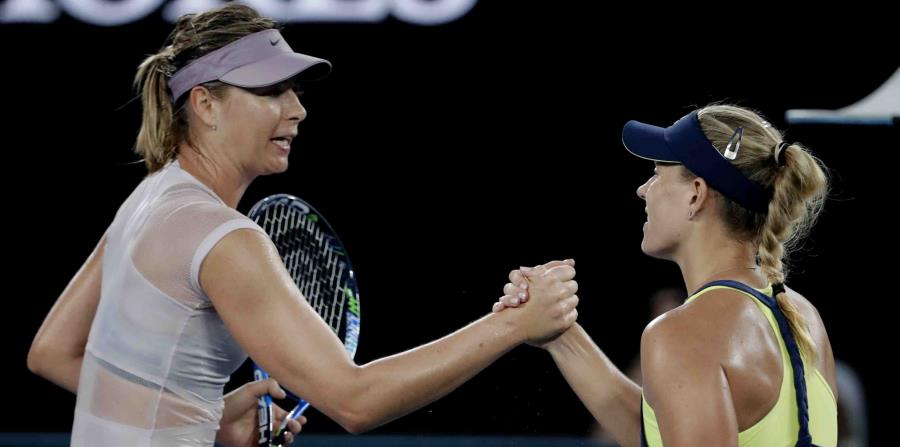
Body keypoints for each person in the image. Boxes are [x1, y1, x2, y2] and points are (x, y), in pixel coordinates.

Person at [26, 4, 579, 446]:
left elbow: (51, 352)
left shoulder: (149, 198)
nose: (297, 110)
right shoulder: (225, 240)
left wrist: (204, 415)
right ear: (205, 104)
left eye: (294, 92)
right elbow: (357, 401)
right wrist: (513, 325)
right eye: (270, 91)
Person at [496, 104, 838, 446]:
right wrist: (560, 334)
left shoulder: (683, 334)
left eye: (658, 173)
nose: (643, 190)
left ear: (696, 194)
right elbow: (669, 431)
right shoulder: (805, 317)